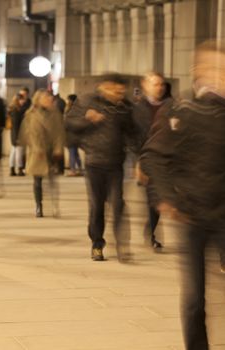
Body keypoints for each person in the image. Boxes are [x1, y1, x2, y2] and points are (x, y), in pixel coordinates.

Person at [139, 42, 225, 349]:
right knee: (195, 297)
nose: (223, 74)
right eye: (215, 67)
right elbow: (153, 157)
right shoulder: (182, 111)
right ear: (201, 72)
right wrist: (167, 199)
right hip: (190, 213)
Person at [65, 74, 137, 261]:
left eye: (122, 91)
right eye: (116, 90)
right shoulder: (87, 101)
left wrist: (140, 159)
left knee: (118, 204)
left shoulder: (125, 107)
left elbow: (133, 133)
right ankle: (97, 243)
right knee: (97, 206)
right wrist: (88, 119)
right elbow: (69, 123)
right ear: (105, 87)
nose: (120, 94)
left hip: (116, 163)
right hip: (94, 162)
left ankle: (122, 245)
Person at [133, 72, 173, 250]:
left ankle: (150, 231)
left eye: (161, 84)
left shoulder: (172, 106)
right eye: (155, 84)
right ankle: (151, 234)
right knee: (153, 199)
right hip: (147, 159)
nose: (160, 87)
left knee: (158, 200)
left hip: (167, 159)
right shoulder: (137, 109)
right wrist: (139, 162)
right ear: (145, 85)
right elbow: (134, 138)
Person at [19, 89, 65, 218]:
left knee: (52, 180)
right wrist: (37, 148)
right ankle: (39, 206)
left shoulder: (55, 114)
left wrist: (58, 148)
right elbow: (28, 134)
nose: (49, 99)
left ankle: (54, 205)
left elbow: (59, 133)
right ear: (38, 100)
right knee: (37, 180)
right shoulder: (30, 114)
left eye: (50, 98)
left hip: (51, 151)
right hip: (37, 152)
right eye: (46, 98)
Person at [8, 93, 26, 176]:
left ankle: (12, 169)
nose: (23, 101)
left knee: (14, 151)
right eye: (22, 100)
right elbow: (16, 125)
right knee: (18, 152)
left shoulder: (13, 110)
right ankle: (19, 169)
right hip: (17, 134)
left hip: (14, 134)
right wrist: (17, 137)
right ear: (18, 100)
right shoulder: (16, 111)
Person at [64, 94, 82, 176]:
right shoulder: (79, 110)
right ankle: (79, 168)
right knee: (75, 152)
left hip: (70, 134)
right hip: (76, 134)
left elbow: (66, 123)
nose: (67, 101)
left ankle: (73, 170)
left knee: (72, 152)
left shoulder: (70, 111)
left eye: (68, 100)